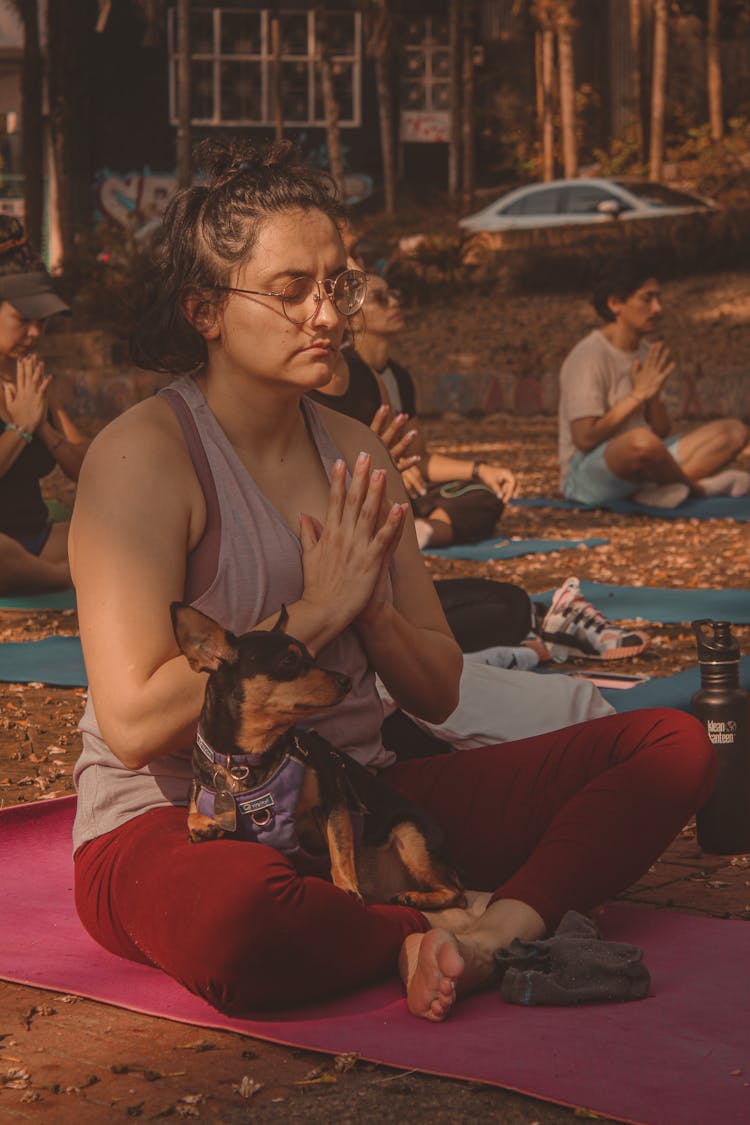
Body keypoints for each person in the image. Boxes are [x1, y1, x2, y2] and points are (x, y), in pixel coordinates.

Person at [71, 139, 715, 1024]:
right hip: (185, 820)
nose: (326, 313)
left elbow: (439, 688)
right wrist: (316, 609)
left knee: (670, 747)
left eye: (337, 282)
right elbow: (134, 721)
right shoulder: (143, 457)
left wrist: (371, 611)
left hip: (354, 807)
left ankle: (491, 935)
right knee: (236, 918)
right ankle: (403, 933)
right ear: (206, 310)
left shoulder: (356, 450)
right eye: (291, 290)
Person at [311, 273, 517, 548]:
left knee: (482, 496)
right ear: (351, 314)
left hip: (402, 486)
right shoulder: (333, 375)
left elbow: (417, 457)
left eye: (394, 294)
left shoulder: (398, 377)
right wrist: (384, 466)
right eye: (380, 299)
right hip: (358, 489)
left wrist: (480, 470)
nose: (395, 303)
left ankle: (423, 532)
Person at [559, 263, 749, 509]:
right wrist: (638, 396)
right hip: (586, 473)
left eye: (658, 298)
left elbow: (661, 431)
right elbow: (584, 439)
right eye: (647, 299)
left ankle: (657, 488)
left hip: (646, 457)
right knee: (641, 441)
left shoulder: (646, 351)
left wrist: (653, 395)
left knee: (734, 431)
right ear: (615, 303)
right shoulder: (589, 355)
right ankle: (697, 488)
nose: (657, 308)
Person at [0, 217, 89, 592]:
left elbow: (89, 471)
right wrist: (19, 429)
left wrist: (43, 426)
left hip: (39, 539)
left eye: (43, 322)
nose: (35, 333)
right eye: (23, 320)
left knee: (134, 529)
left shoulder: (33, 379)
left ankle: (55, 575)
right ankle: (69, 580)